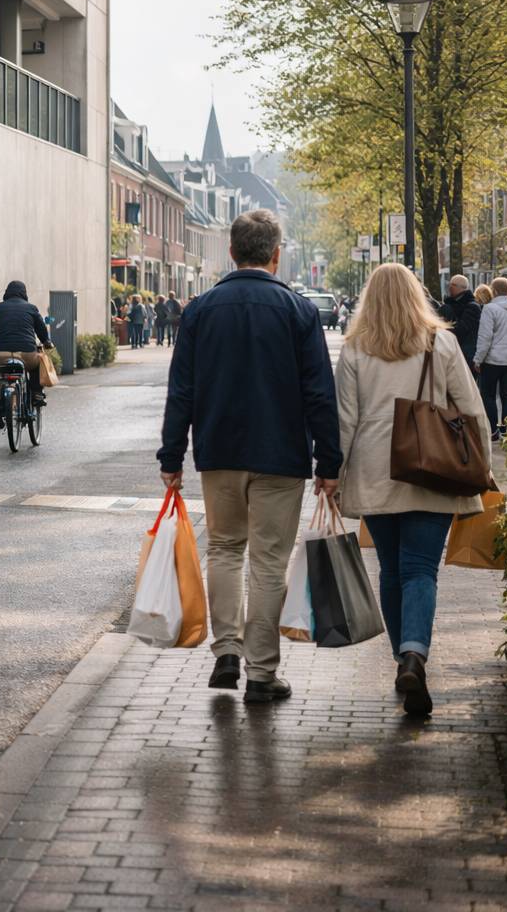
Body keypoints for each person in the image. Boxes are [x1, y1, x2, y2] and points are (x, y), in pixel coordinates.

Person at [158, 209, 341, 704]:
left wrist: (172, 454)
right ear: (276, 255)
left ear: (233, 252)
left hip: (218, 451)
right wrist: (330, 463)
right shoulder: (299, 311)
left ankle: (226, 652)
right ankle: (262, 672)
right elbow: (320, 393)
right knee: (267, 560)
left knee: (224, 550)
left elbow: (182, 391)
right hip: (281, 455)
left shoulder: (199, 311)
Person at [336, 263, 488, 717]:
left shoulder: (356, 349)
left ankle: (402, 659)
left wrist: (332, 473)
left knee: (390, 569)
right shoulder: (440, 343)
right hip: (433, 468)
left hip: (375, 468)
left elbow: (344, 420)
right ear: (416, 296)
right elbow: (472, 407)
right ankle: (414, 655)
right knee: (421, 569)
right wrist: (479, 464)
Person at [0, 281, 54, 406]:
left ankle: (1, 401)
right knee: (37, 364)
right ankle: (37, 394)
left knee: (1, 373)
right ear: (24, 293)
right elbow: (41, 330)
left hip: (2, 355)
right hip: (27, 354)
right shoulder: (31, 308)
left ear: (7, 292)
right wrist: (46, 342)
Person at [473, 276, 507, 441]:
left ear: (493, 291)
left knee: (489, 396)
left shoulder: (490, 309)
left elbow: (485, 338)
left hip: (492, 360)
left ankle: (493, 432)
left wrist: (478, 359)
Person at [439, 274, 482, 370]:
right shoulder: (449, 305)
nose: (450, 287)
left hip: (466, 354)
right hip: (452, 351)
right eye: (450, 284)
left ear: (462, 288)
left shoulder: (472, 306)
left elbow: (462, 329)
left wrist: (444, 330)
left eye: (453, 285)